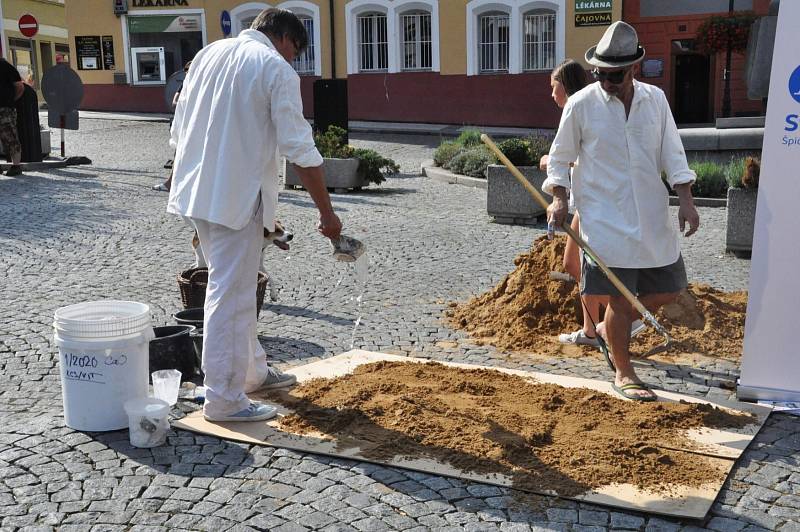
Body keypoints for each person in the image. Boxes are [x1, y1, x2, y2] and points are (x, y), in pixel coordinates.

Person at [168, 8, 343, 422]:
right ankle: (224, 399)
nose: (292, 61)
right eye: (294, 52)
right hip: (235, 198)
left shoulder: (209, 54)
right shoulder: (274, 68)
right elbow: (300, 148)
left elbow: (178, 129)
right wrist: (327, 214)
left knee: (237, 288)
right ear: (284, 38)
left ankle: (251, 373)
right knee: (229, 295)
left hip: (198, 191)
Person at [543, 21, 700, 401]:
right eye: (600, 73)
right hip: (604, 218)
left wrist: (686, 198)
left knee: (670, 286)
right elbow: (560, 158)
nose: (606, 81)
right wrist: (560, 198)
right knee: (617, 297)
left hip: (650, 214)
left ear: (633, 69)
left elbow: (672, 151)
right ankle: (623, 371)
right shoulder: (581, 105)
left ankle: (615, 328)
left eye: (614, 75)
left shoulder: (655, 100)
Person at [539, 60, 645, 347]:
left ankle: (624, 319)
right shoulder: (583, 105)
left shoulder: (579, 105)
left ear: (565, 85)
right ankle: (591, 330)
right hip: (586, 201)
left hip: (598, 202)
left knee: (584, 267)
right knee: (574, 265)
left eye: (554, 87)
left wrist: (552, 163)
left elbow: (593, 155)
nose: (552, 94)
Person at [154, 61, 192, 191]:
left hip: (194, 124)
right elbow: (175, 102)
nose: (187, 73)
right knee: (179, 152)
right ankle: (170, 183)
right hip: (185, 124)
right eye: (186, 71)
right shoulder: (184, 84)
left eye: (189, 71)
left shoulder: (199, 84)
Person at [0, 58, 25, 176]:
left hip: (5, 109)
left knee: (11, 137)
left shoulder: (6, 66)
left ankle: (16, 166)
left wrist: (10, 101)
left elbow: (19, 87)